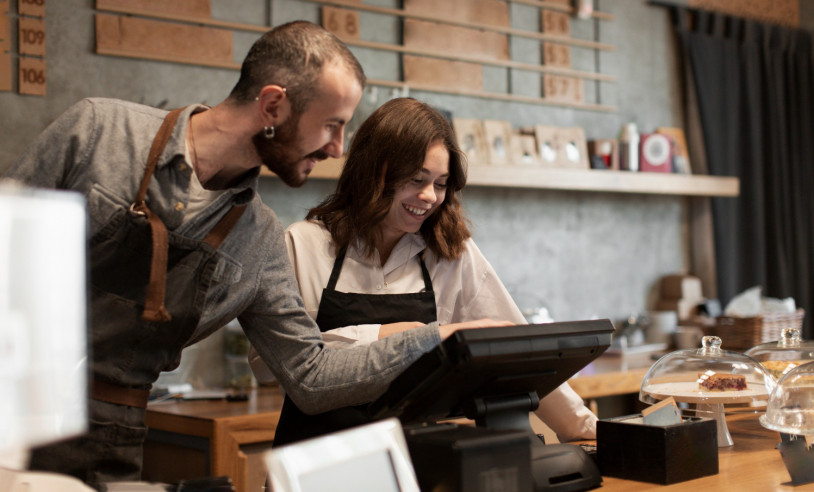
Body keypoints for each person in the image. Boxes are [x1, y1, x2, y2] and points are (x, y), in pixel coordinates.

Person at [2, 22, 496, 489]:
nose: (337, 148)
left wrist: (436, 339)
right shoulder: (100, 133)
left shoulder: (258, 238)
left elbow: (311, 375)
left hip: (114, 438)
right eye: (331, 125)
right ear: (274, 106)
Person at [252, 97, 597, 446]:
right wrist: (399, 335)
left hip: (416, 462)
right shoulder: (303, 244)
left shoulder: (450, 252)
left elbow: (520, 352)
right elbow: (267, 367)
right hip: (316, 462)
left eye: (441, 183)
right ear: (374, 171)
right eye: (417, 179)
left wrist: (584, 427)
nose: (430, 196)